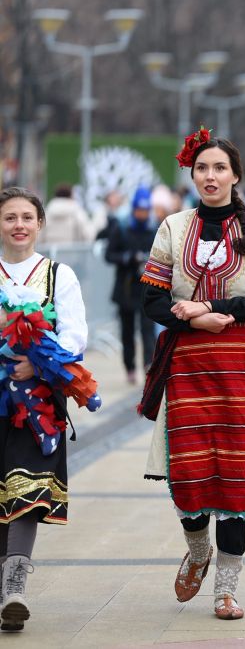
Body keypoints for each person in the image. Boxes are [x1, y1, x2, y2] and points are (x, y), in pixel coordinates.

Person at [140, 130, 245, 620]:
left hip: (243, 367)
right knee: (191, 471)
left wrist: (210, 306)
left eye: (220, 168)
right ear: (192, 174)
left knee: (238, 478)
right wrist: (193, 319)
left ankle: (226, 588)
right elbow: (151, 297)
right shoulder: (172, 228)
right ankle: (198, 548)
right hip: (189, 365)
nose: (210, 176)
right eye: (203, 168)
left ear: (235, 175)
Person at [0, 186, 91, 631]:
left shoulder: (59, 275)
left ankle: (15, 586)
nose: (18, 225)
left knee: (28, 487)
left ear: (40, 224)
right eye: (9, 217)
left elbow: (75, 336)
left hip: (38, 404)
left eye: (26, 217)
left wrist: (34, 360)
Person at [105, 187, 157, 384]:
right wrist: (128, 258)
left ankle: (148, 365)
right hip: (125, 287)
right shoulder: (122, 227)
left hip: (147, 287)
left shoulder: (154, 228)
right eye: (139, 210)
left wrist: (148, 261)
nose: (142, 214)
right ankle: (130, 367)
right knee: (127, 331)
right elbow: (109, 255)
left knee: (147, 329)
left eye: (146, 210)